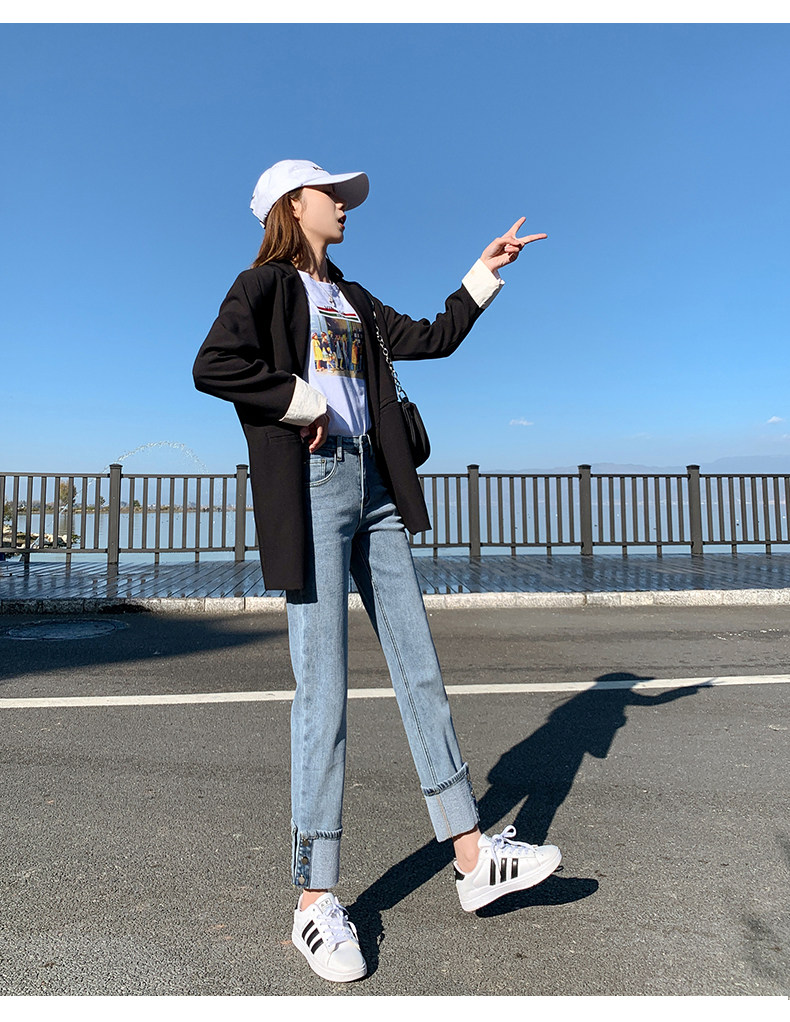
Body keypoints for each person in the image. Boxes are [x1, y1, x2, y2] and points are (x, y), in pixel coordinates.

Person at [193, 159, 562, 984]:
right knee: (322, 688)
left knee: (418, 667)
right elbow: (213, 365)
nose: (344, 205)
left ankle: (472, 858)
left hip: (377, 487)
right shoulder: (263, 287)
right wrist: (303, 403)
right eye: (331, 194)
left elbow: (432, 337)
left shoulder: (352, 297)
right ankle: (314, 899)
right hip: (314, 487)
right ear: (294, 205)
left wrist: (483, 272)